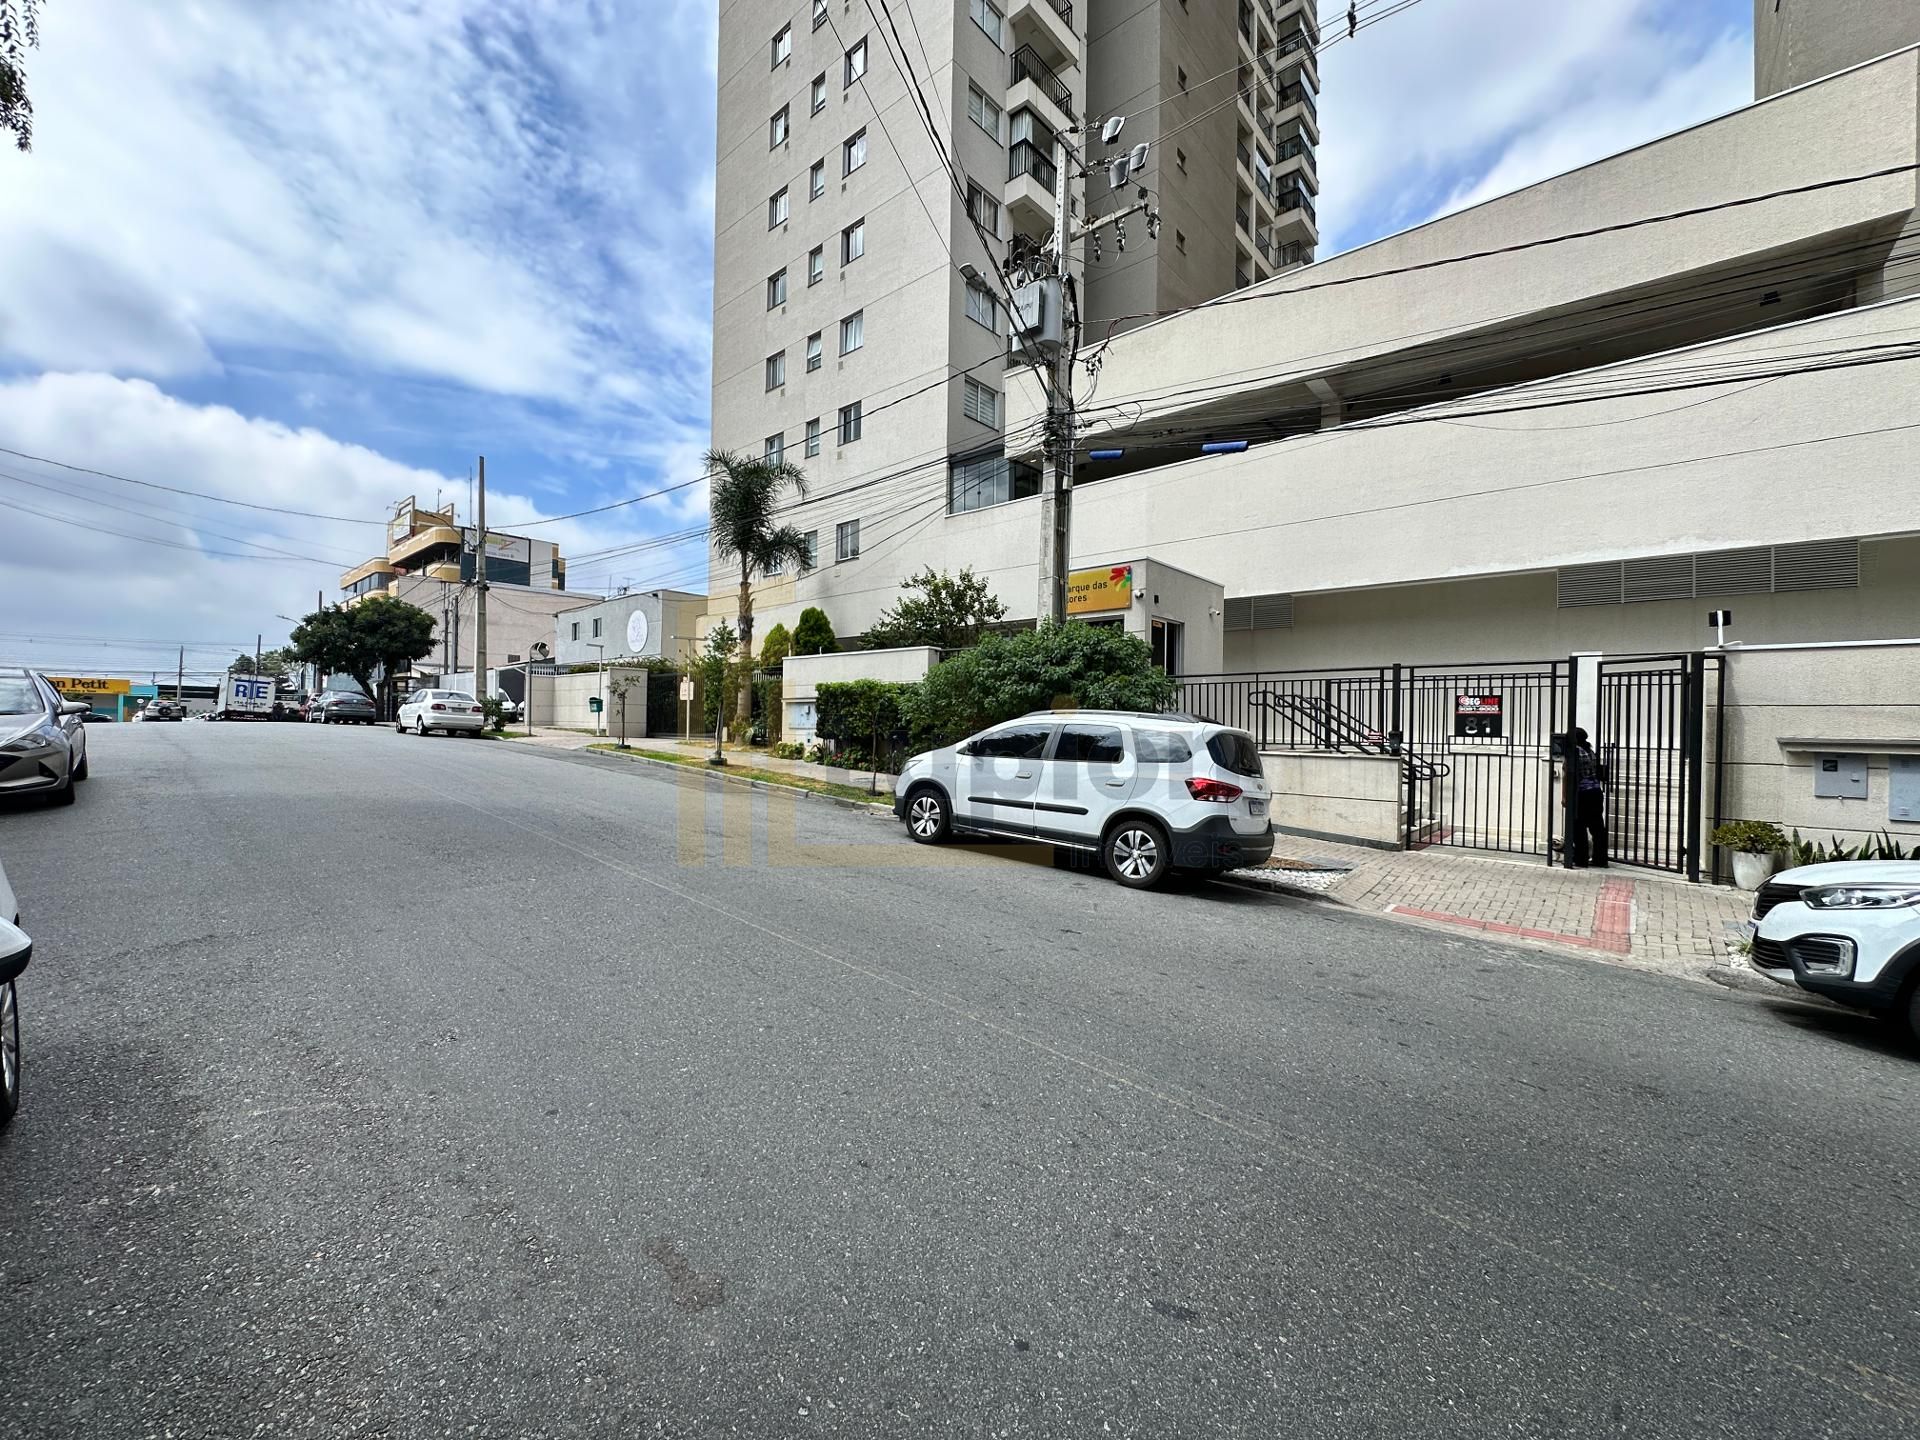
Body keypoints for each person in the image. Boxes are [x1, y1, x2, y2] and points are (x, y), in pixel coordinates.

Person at [1563, 726, 1608, 868]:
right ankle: (1600, 859)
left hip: (1581, 793)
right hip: (1596, 792)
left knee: (1578, 826)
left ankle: (1580, 858)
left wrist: (1565, 796)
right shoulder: (1591, 752)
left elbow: (1567, 775)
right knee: (1597, 827)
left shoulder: (1574, 752)